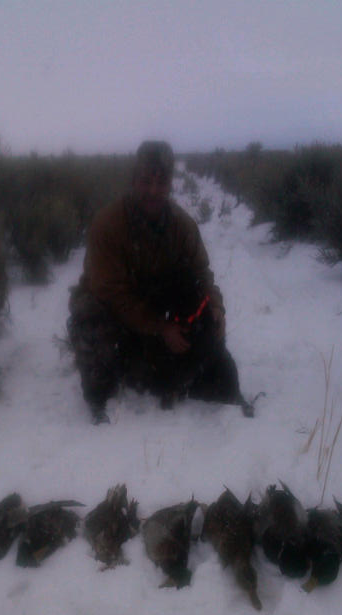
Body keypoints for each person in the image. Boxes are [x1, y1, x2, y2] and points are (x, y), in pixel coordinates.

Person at [67, 140, 253, 423]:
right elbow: (110, 292)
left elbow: (202, 274)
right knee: (88, 313)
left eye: (161, 182)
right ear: (133, 180)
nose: (153, 190)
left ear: (170, 183)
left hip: (154, 307)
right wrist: (160, 326)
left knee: (203, 323)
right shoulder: (107, 224)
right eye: (145, 181)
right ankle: (99, 397)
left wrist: (216, 306)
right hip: (113, 307)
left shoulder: (183, 225)